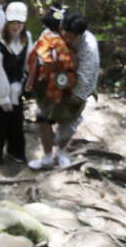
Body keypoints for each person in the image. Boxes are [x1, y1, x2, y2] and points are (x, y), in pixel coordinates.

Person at [28, 12, 99, 170]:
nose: (66, 39)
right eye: (64, 34)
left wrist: (77, 96)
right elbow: (39, 51)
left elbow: (88, 75)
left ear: (80, 35)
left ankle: (61, 152)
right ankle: (47, 157)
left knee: (68, 123)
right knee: (43, 118)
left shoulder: (89, 47)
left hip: (76, 88)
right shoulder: (52, 33)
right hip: (50, 84)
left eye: (71, 37)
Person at [0, 1, 32, 165]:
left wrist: (28, 82)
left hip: (15, 89)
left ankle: (15, 151)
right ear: (6, 23)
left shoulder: (26, 39)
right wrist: (3, 99)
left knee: (16, 123)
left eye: (19, 23)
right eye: (12, 22)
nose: (16, 26)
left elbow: (28, 62)